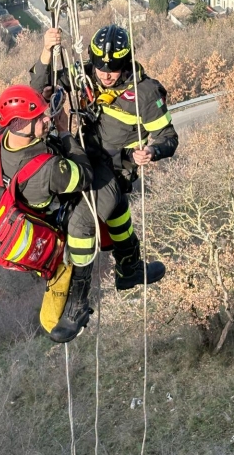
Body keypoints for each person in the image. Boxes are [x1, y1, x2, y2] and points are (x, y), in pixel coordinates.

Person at [30, 23, 179, 289]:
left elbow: (169, 138)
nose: (106, 76)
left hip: (114, 168)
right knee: (111, 209)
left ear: (127, 63)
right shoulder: (86, 75)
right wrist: (45, 51)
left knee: (85, 221)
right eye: (101, 68)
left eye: (113, 71)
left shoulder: (145, 93)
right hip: (82, 153)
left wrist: (152, 151)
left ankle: (78, 292)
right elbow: (41, 88)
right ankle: (129, 266)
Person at [0, 84, 97, 342]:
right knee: (85, 216)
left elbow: (1, 121)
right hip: (45, 225)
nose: (48, 119)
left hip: (10, 214)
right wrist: (67, 133)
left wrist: (39, 100)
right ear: (22, 126)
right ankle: (79, 297)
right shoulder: (48, 169)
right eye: (40, 118)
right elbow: (86, 176)